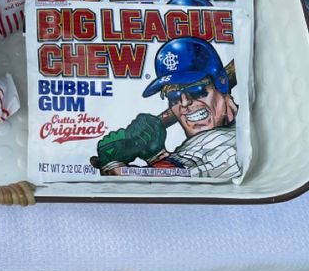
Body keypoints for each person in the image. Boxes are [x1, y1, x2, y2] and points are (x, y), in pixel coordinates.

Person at [96, 37, 239, 178]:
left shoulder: (224, 142)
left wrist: (113, 167)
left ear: (222, 83)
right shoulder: (237, 126)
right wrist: (156, 156)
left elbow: (165, 180)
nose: (184, 103)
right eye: (174, 95)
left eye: (196, 89)